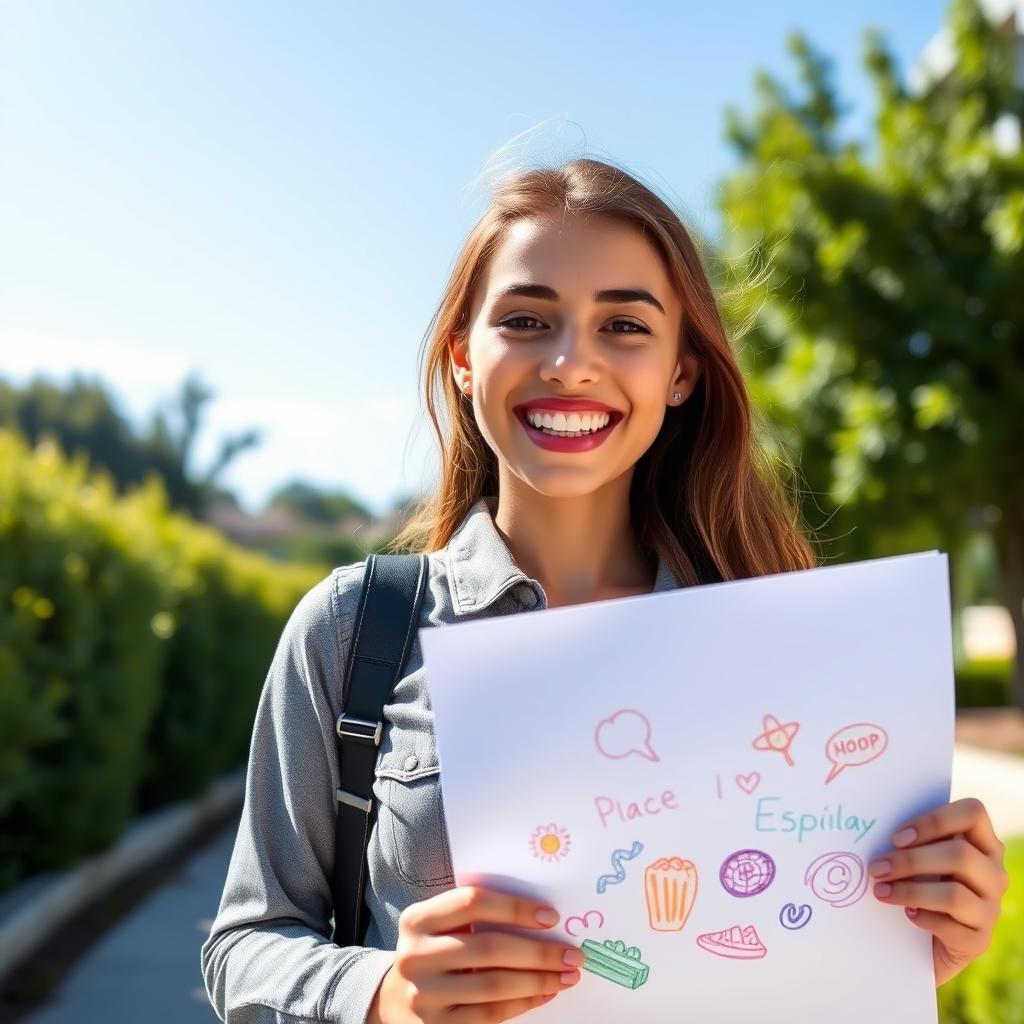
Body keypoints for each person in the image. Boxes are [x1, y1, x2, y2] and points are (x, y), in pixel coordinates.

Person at [200, 157, 1009, 1024]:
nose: (570, 362)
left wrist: (924, 943)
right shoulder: (355, 629)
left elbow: (801, 959)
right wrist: (382, 992)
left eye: (624, 324)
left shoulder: (786, 647)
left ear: (682, 373)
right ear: (464, 360)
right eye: (525, 318)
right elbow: (243, 946)